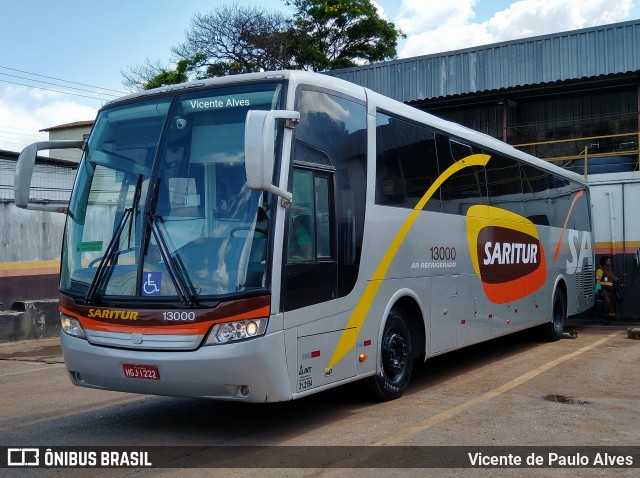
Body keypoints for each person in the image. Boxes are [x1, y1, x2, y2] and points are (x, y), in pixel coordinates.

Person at [595, 255, 620, 323]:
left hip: (610, 290)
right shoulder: (600, 270)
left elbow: (612, 276)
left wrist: (615, 278)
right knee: (607, 302)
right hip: (603, 289)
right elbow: (598, 280)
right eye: (607, 261)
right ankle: (603, 318)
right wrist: (597, 289)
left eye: (609, 261)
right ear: (603, 262)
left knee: (608, 304)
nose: (609, 262)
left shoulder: (610, 269)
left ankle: (604, 318)